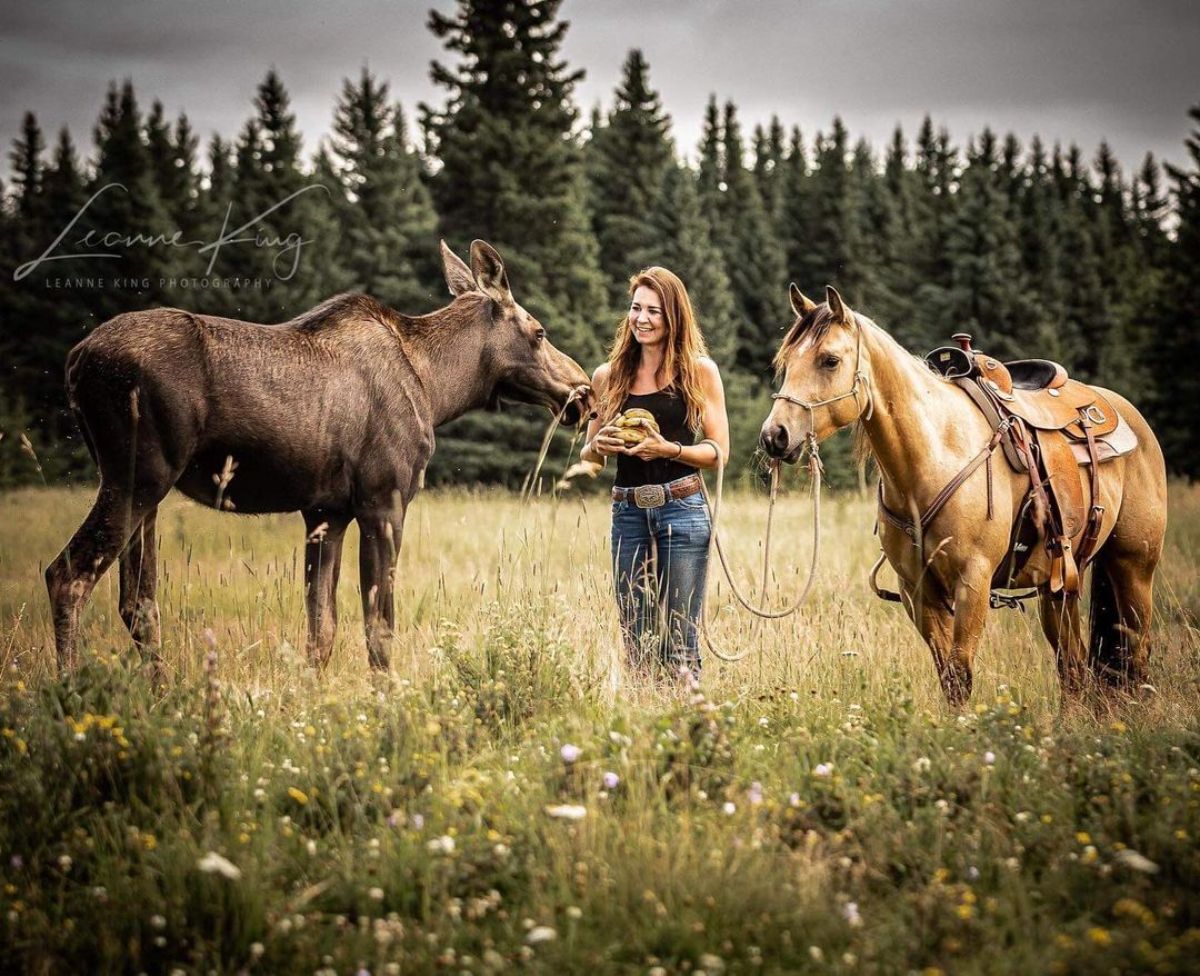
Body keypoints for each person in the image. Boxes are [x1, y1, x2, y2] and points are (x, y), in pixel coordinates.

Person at [580, 267, 729, 680]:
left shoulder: (699, 372)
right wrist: (599, 446)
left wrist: (669, 449)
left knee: (679, 643)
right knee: (637, 639)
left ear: (673, 318)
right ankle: (645, 726)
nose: (642, 319)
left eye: (654, 311)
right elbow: (589, 458)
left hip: (683, 509)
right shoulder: (607, 376)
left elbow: (719, 451)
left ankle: (686, 729)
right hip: (628, 515)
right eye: (635, 308)